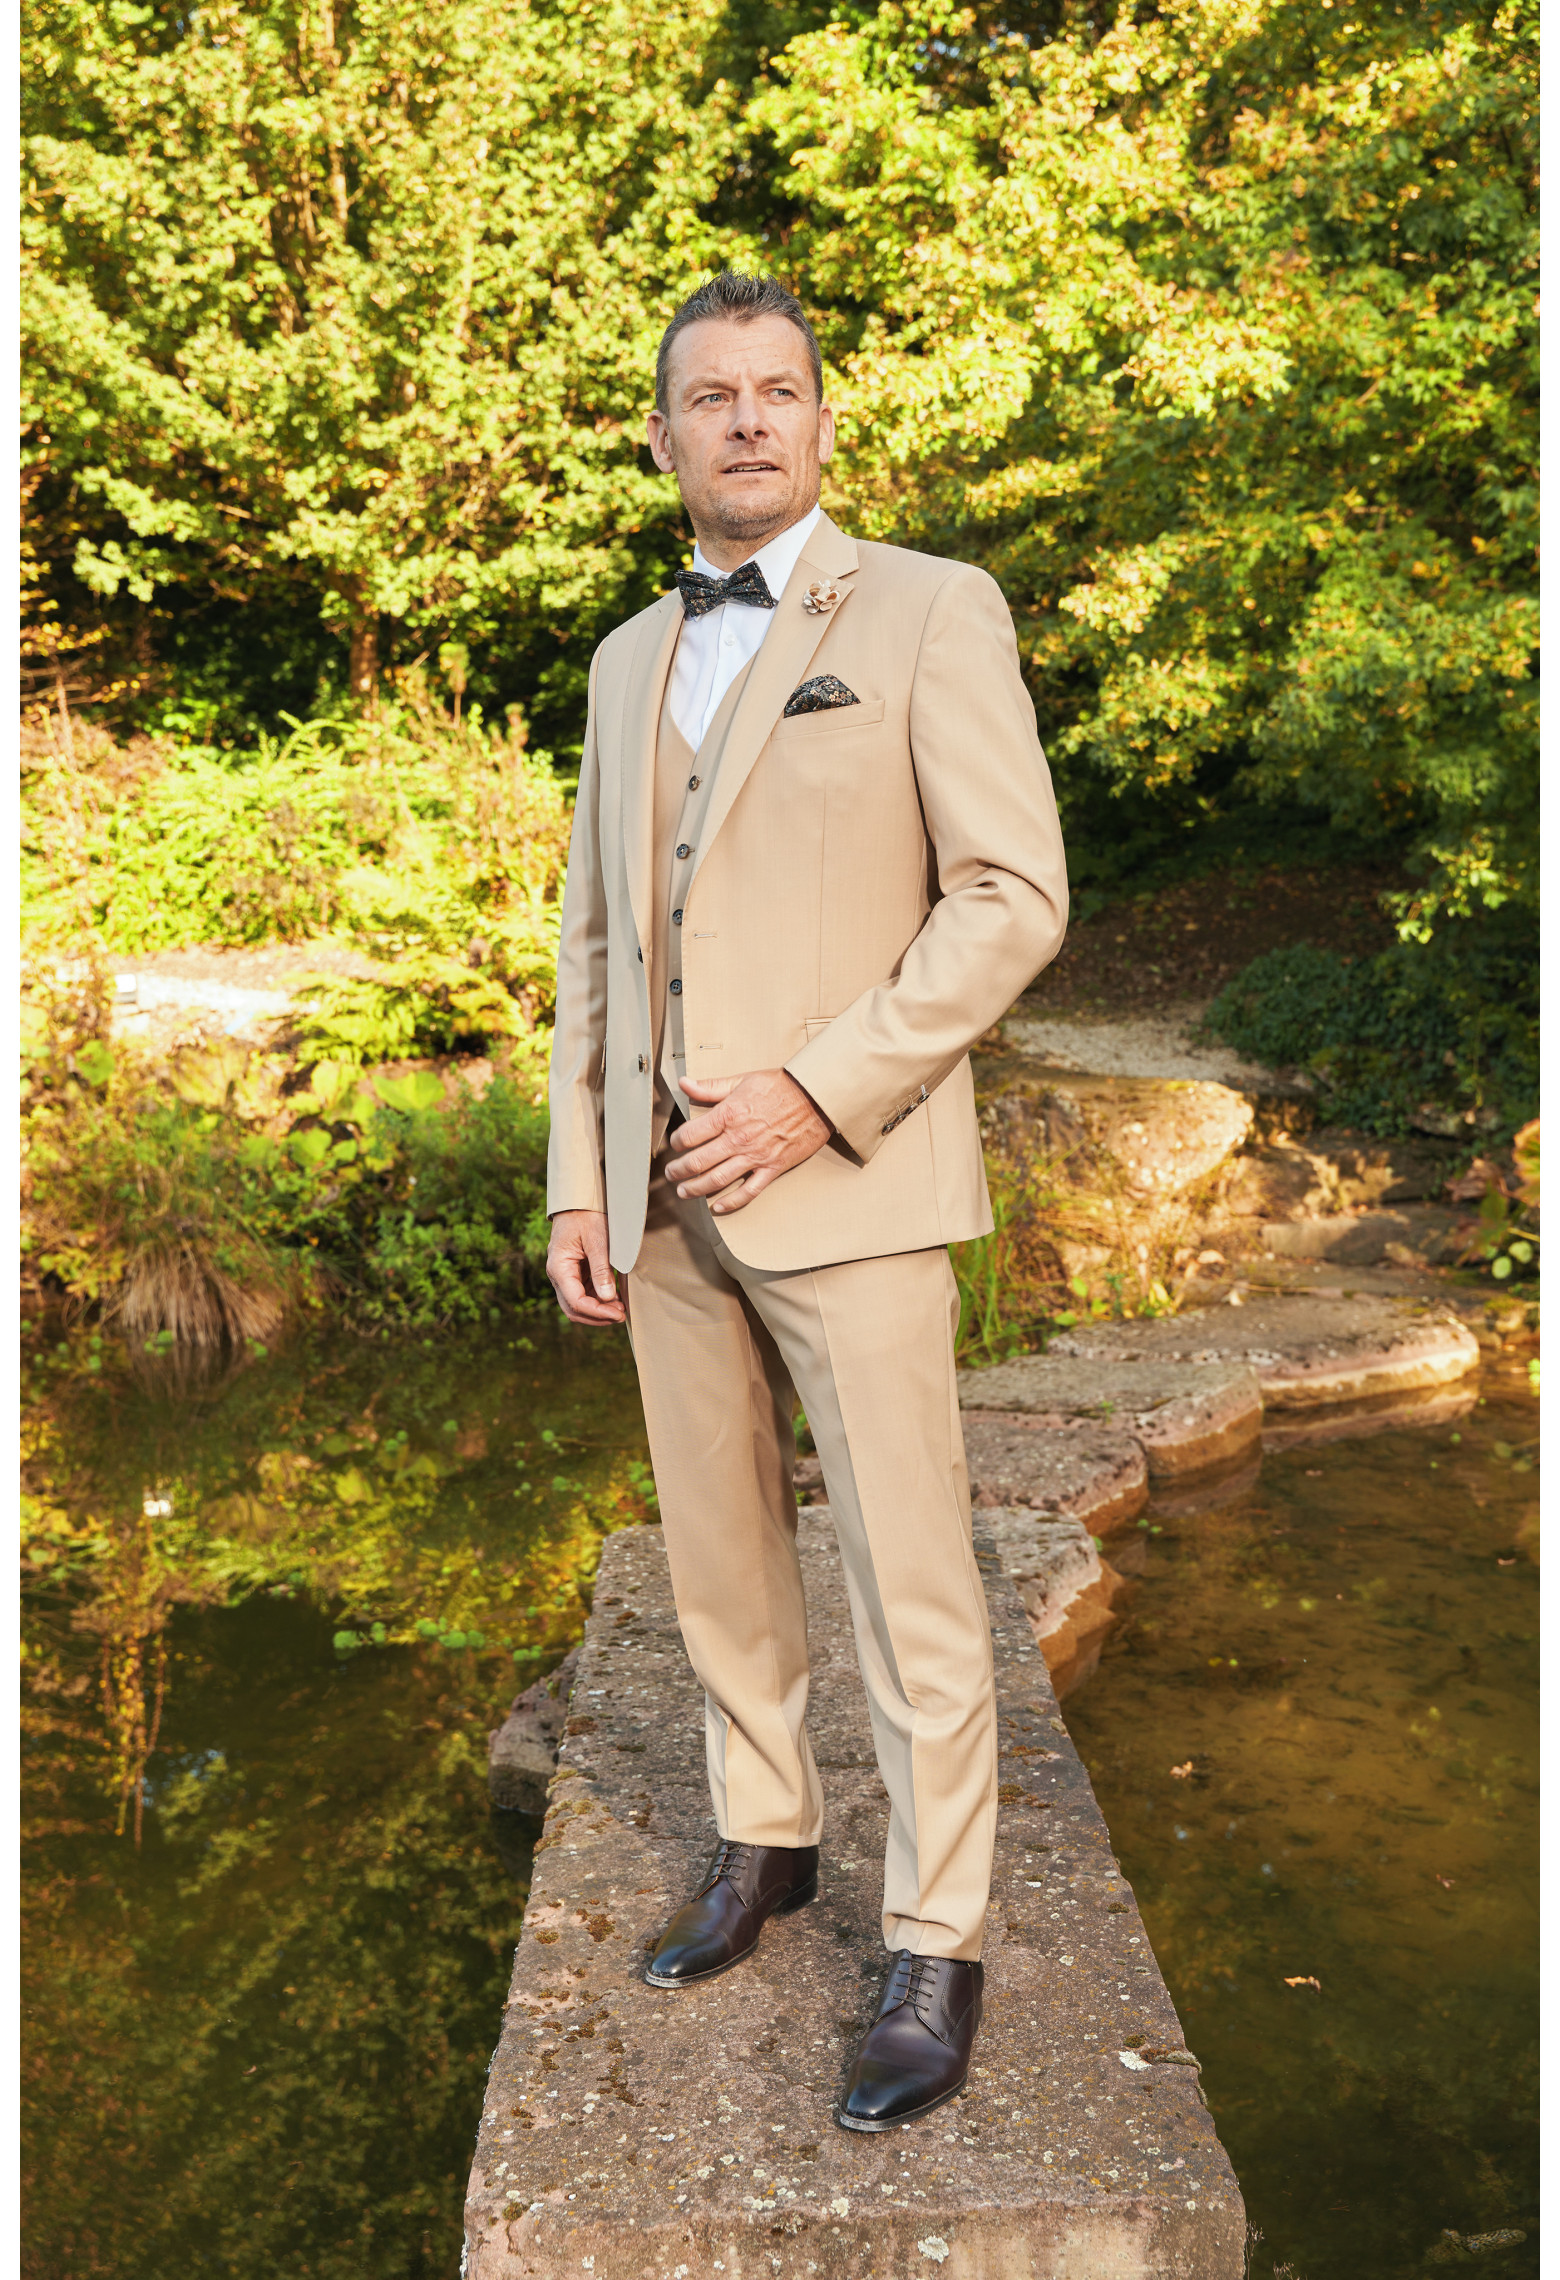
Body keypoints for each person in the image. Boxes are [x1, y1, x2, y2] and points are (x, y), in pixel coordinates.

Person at [545, 270, 1067, 2131]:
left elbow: (1011, 896)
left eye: (780, 390)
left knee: (910, 1583)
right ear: (664, 437)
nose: (750, 419)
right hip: (660, 1196)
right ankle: (763, 1838)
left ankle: (935, 1938)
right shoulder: (626, 661)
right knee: (719, 1557)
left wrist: (816, 1092)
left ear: (823, 422)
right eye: (714, 396)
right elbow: (596, 943)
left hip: (849, 1172)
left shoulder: (930, 608)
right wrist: (580, 1182)